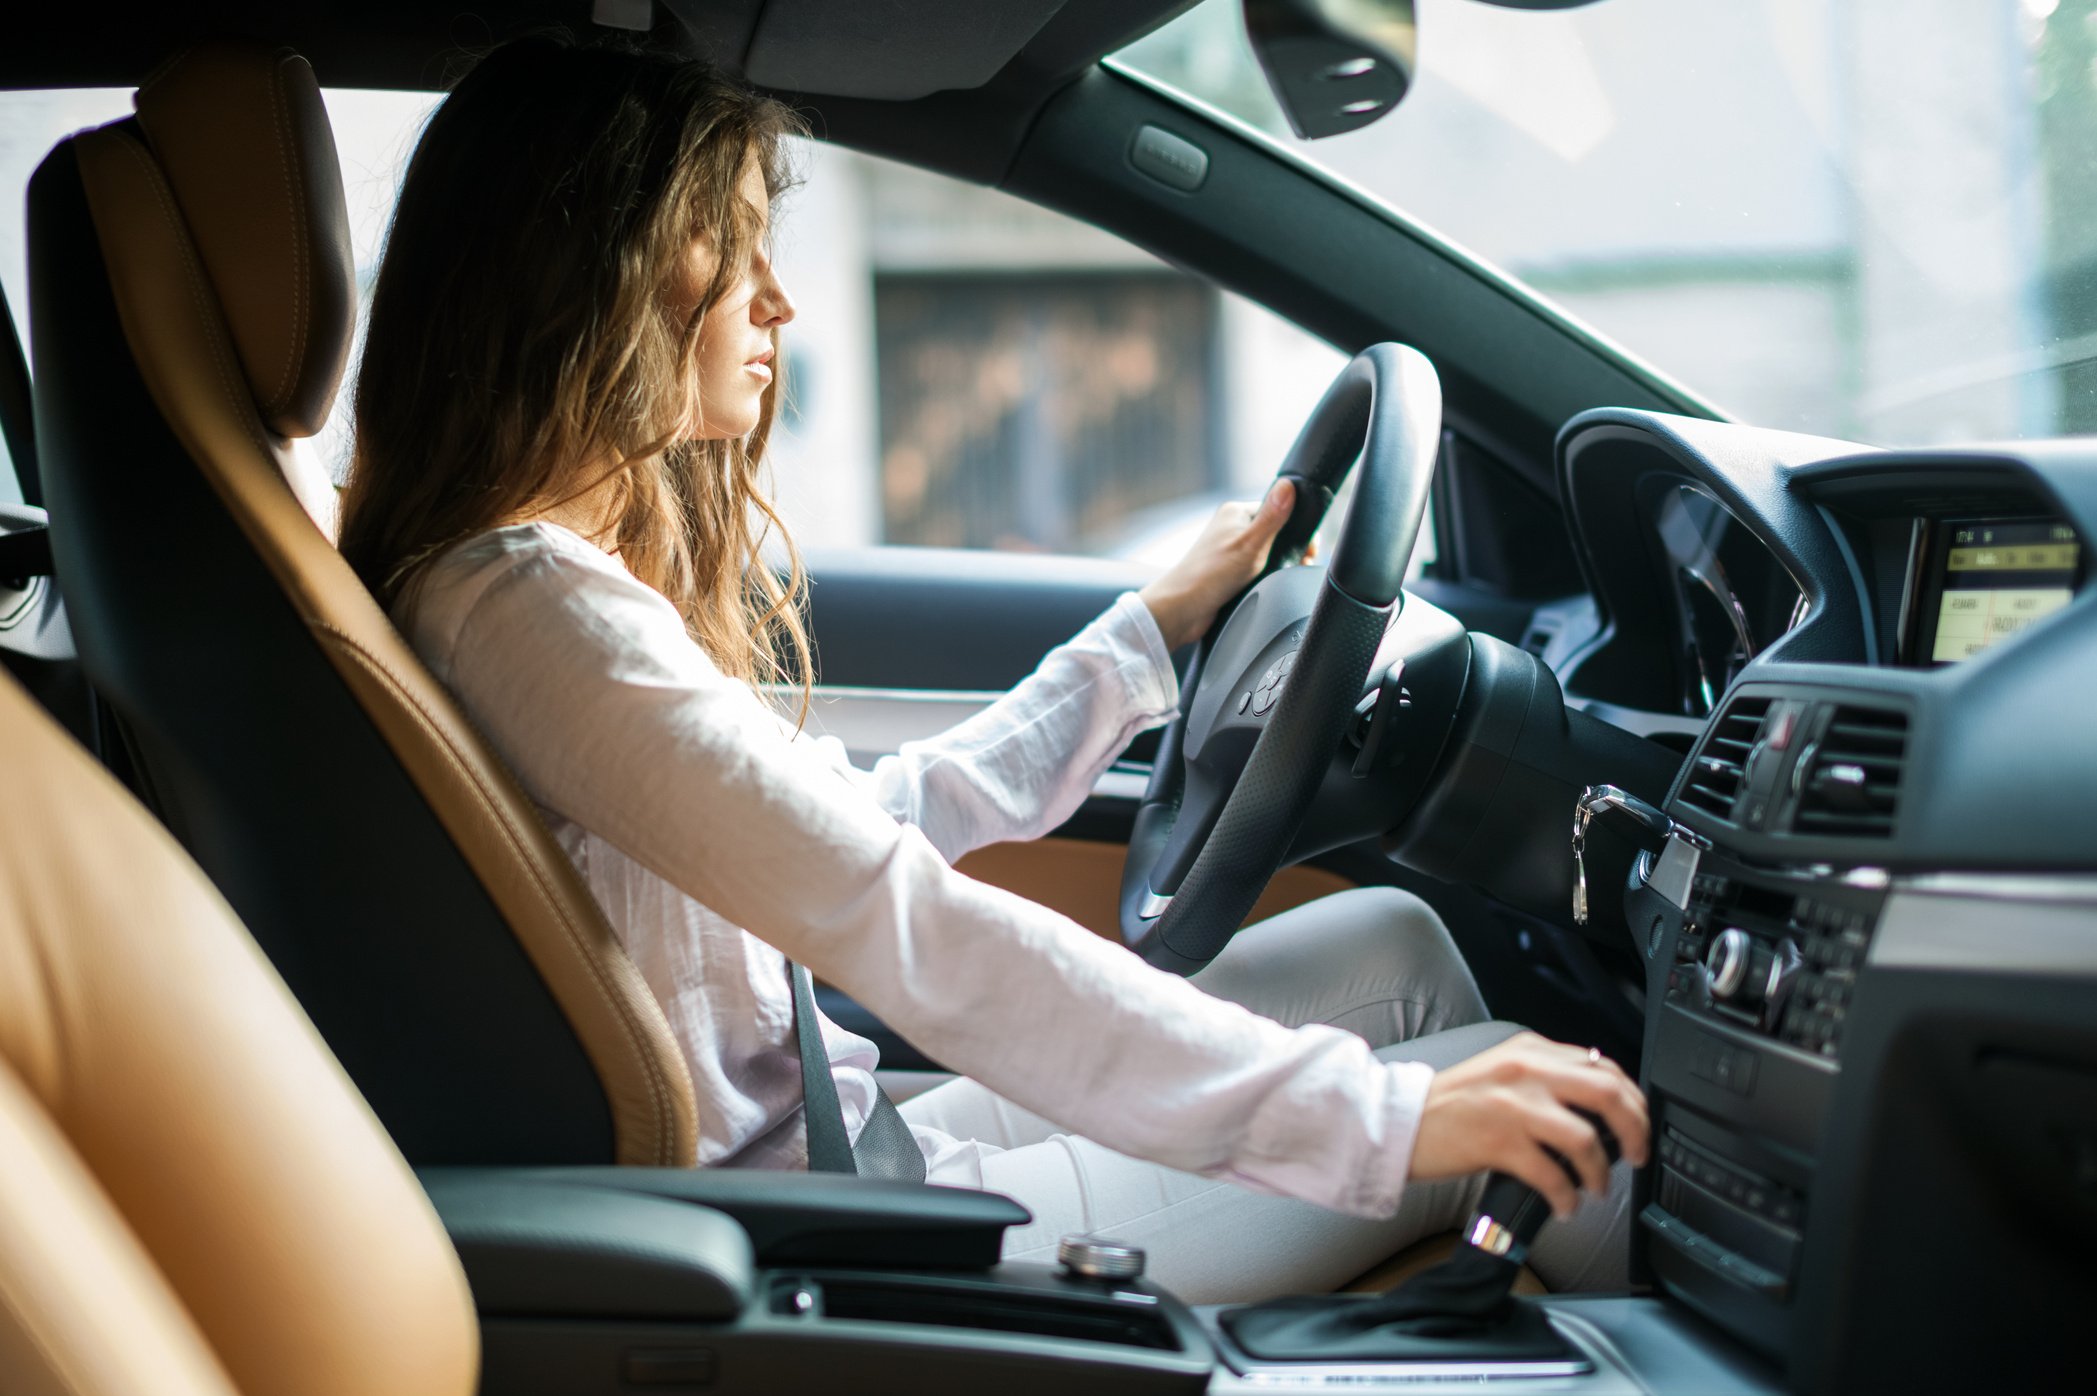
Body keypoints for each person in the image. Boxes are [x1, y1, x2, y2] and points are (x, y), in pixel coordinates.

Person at [338, 35, 1647, 1304]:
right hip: (822, 1227)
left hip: (835, 1151)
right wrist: (1385, 1118)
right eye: (729, 246)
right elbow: (894, 913)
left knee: (1400, 941)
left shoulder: (526, 587)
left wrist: (1144, 635)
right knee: (1525, 1106)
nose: (775, 298)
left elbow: (861, 830)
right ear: (591, 271)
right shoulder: (534, 610)